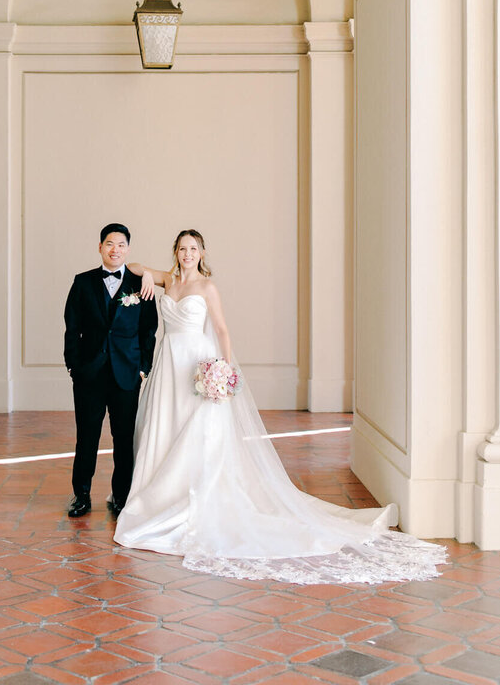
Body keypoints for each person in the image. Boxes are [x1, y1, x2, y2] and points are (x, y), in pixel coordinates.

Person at [115, 230, 447, 585]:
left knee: (197, 434)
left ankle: (192, 495)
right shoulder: (169, 280)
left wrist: (223, 369)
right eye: (182, 248)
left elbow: (223, 331)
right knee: (166, 428)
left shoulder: (208, 287)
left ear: (202, 253)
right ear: (176, 252)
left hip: (195, 363)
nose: (187, 254)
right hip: (168, 364)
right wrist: (149, 275)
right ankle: (162, 495)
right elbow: (132, 266)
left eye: (193, 249)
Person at [63, 223, 158, 518]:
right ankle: (81, 495)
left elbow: (149, 330)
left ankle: (121, 496)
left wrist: (143, 367)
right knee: (87, 436)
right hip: (89, 374)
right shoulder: (82, 282)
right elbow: (71, 328)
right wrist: (74, 365)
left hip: (126, 374)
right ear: (100, 247)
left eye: (120, 244)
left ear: (128, 249)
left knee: (123, 437)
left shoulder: (141, 283)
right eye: (109, 244)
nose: (115, 249)